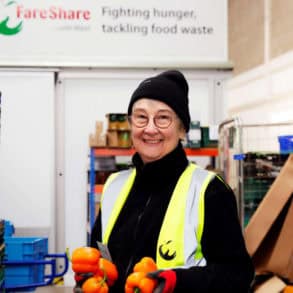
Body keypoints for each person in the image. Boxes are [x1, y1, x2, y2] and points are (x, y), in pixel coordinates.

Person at [90, 70, 254, 292]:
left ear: (182, 129)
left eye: (163, 118)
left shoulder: (209, 191)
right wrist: (90, 278)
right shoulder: (114, 186)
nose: (150, 128)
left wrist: (177, 282)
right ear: (130, 124)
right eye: (141, 117)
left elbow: (237, 275)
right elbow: (100, 258)